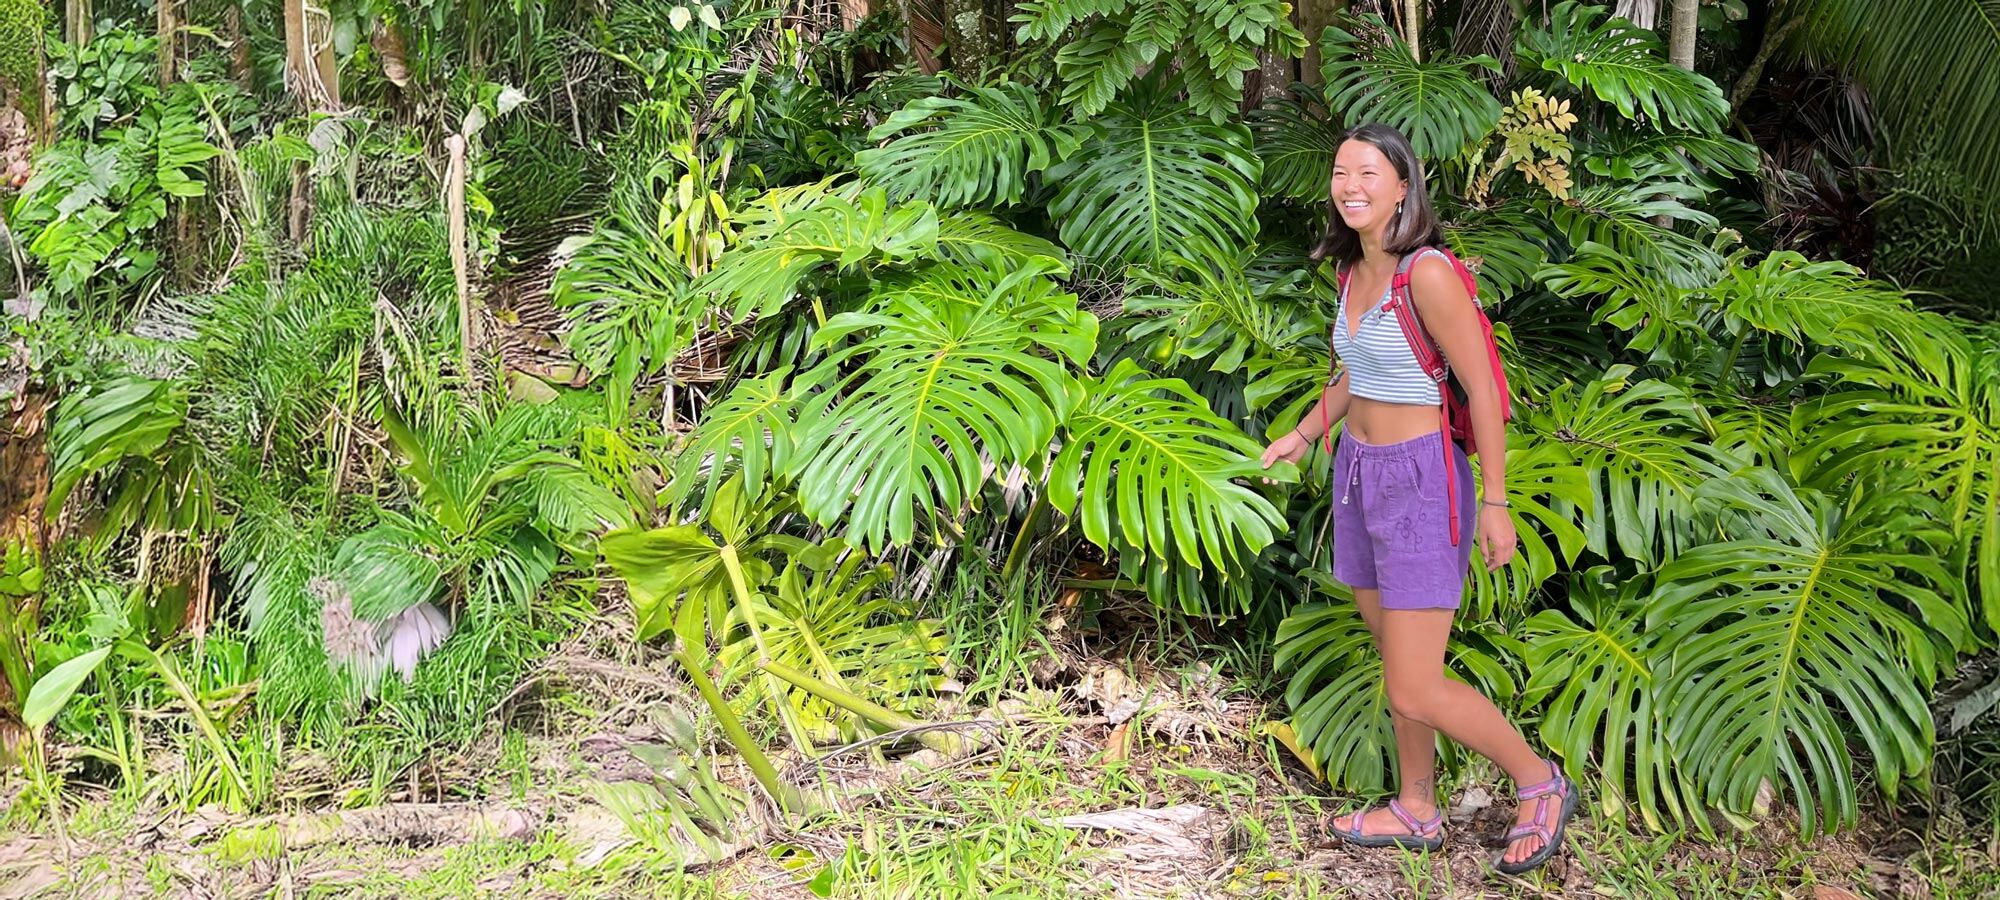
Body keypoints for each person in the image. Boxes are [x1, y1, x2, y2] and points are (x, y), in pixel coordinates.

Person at [1258, 123, 1578, 875]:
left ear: (1404, 187)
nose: (1350, 187)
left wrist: (1495, 502)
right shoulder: (1353, 272)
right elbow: (1357, 376)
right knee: (1396, 658)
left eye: (1368, 173)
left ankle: (1540, 782)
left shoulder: (1425, 272)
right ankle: (1418, 807)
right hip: (1359, 475)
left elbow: (1483, 391)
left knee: (1414, 680)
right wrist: (1304, 435)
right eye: (1340, 173)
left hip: (1422, 480)